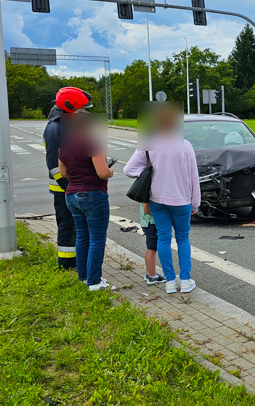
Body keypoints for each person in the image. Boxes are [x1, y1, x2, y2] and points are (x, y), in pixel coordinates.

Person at [124, 103, 200, 294]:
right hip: (182, 199)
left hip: (157, 199)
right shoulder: (185, 145)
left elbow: (129, 169)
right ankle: (185, 279)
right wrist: (195, 203)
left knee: (164, 238)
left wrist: (151, 174)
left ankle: (170, 282)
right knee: (183, 238)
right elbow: (193, 177)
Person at [58, 112, 113, 291]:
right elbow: (102, 173)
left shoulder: (64, 146)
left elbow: (64, 173)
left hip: (71, 195)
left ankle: (83, 277)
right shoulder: (93, 143)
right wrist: (110, 171)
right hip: (93, 194)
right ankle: (95, 281)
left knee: (82, 237)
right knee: (97, 239)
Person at [44, 87, 93, 270]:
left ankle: (76, 259)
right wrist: (69, 186)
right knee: (67, 224)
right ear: (70, 108)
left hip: (74, 185)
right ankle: (66, 262)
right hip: (64, 187)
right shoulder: (55, 128)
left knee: (76, 226)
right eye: (82, 109)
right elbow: (54, 164)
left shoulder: (66, 124)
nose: (85, 112)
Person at [140, 202, 166, 284]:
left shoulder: (143, 190)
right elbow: (147, 209)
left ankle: (149, 273)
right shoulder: (148, 192)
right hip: (151, 222)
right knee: (152, 249)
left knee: (151, 248)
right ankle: (152, 276)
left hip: (146, 222)